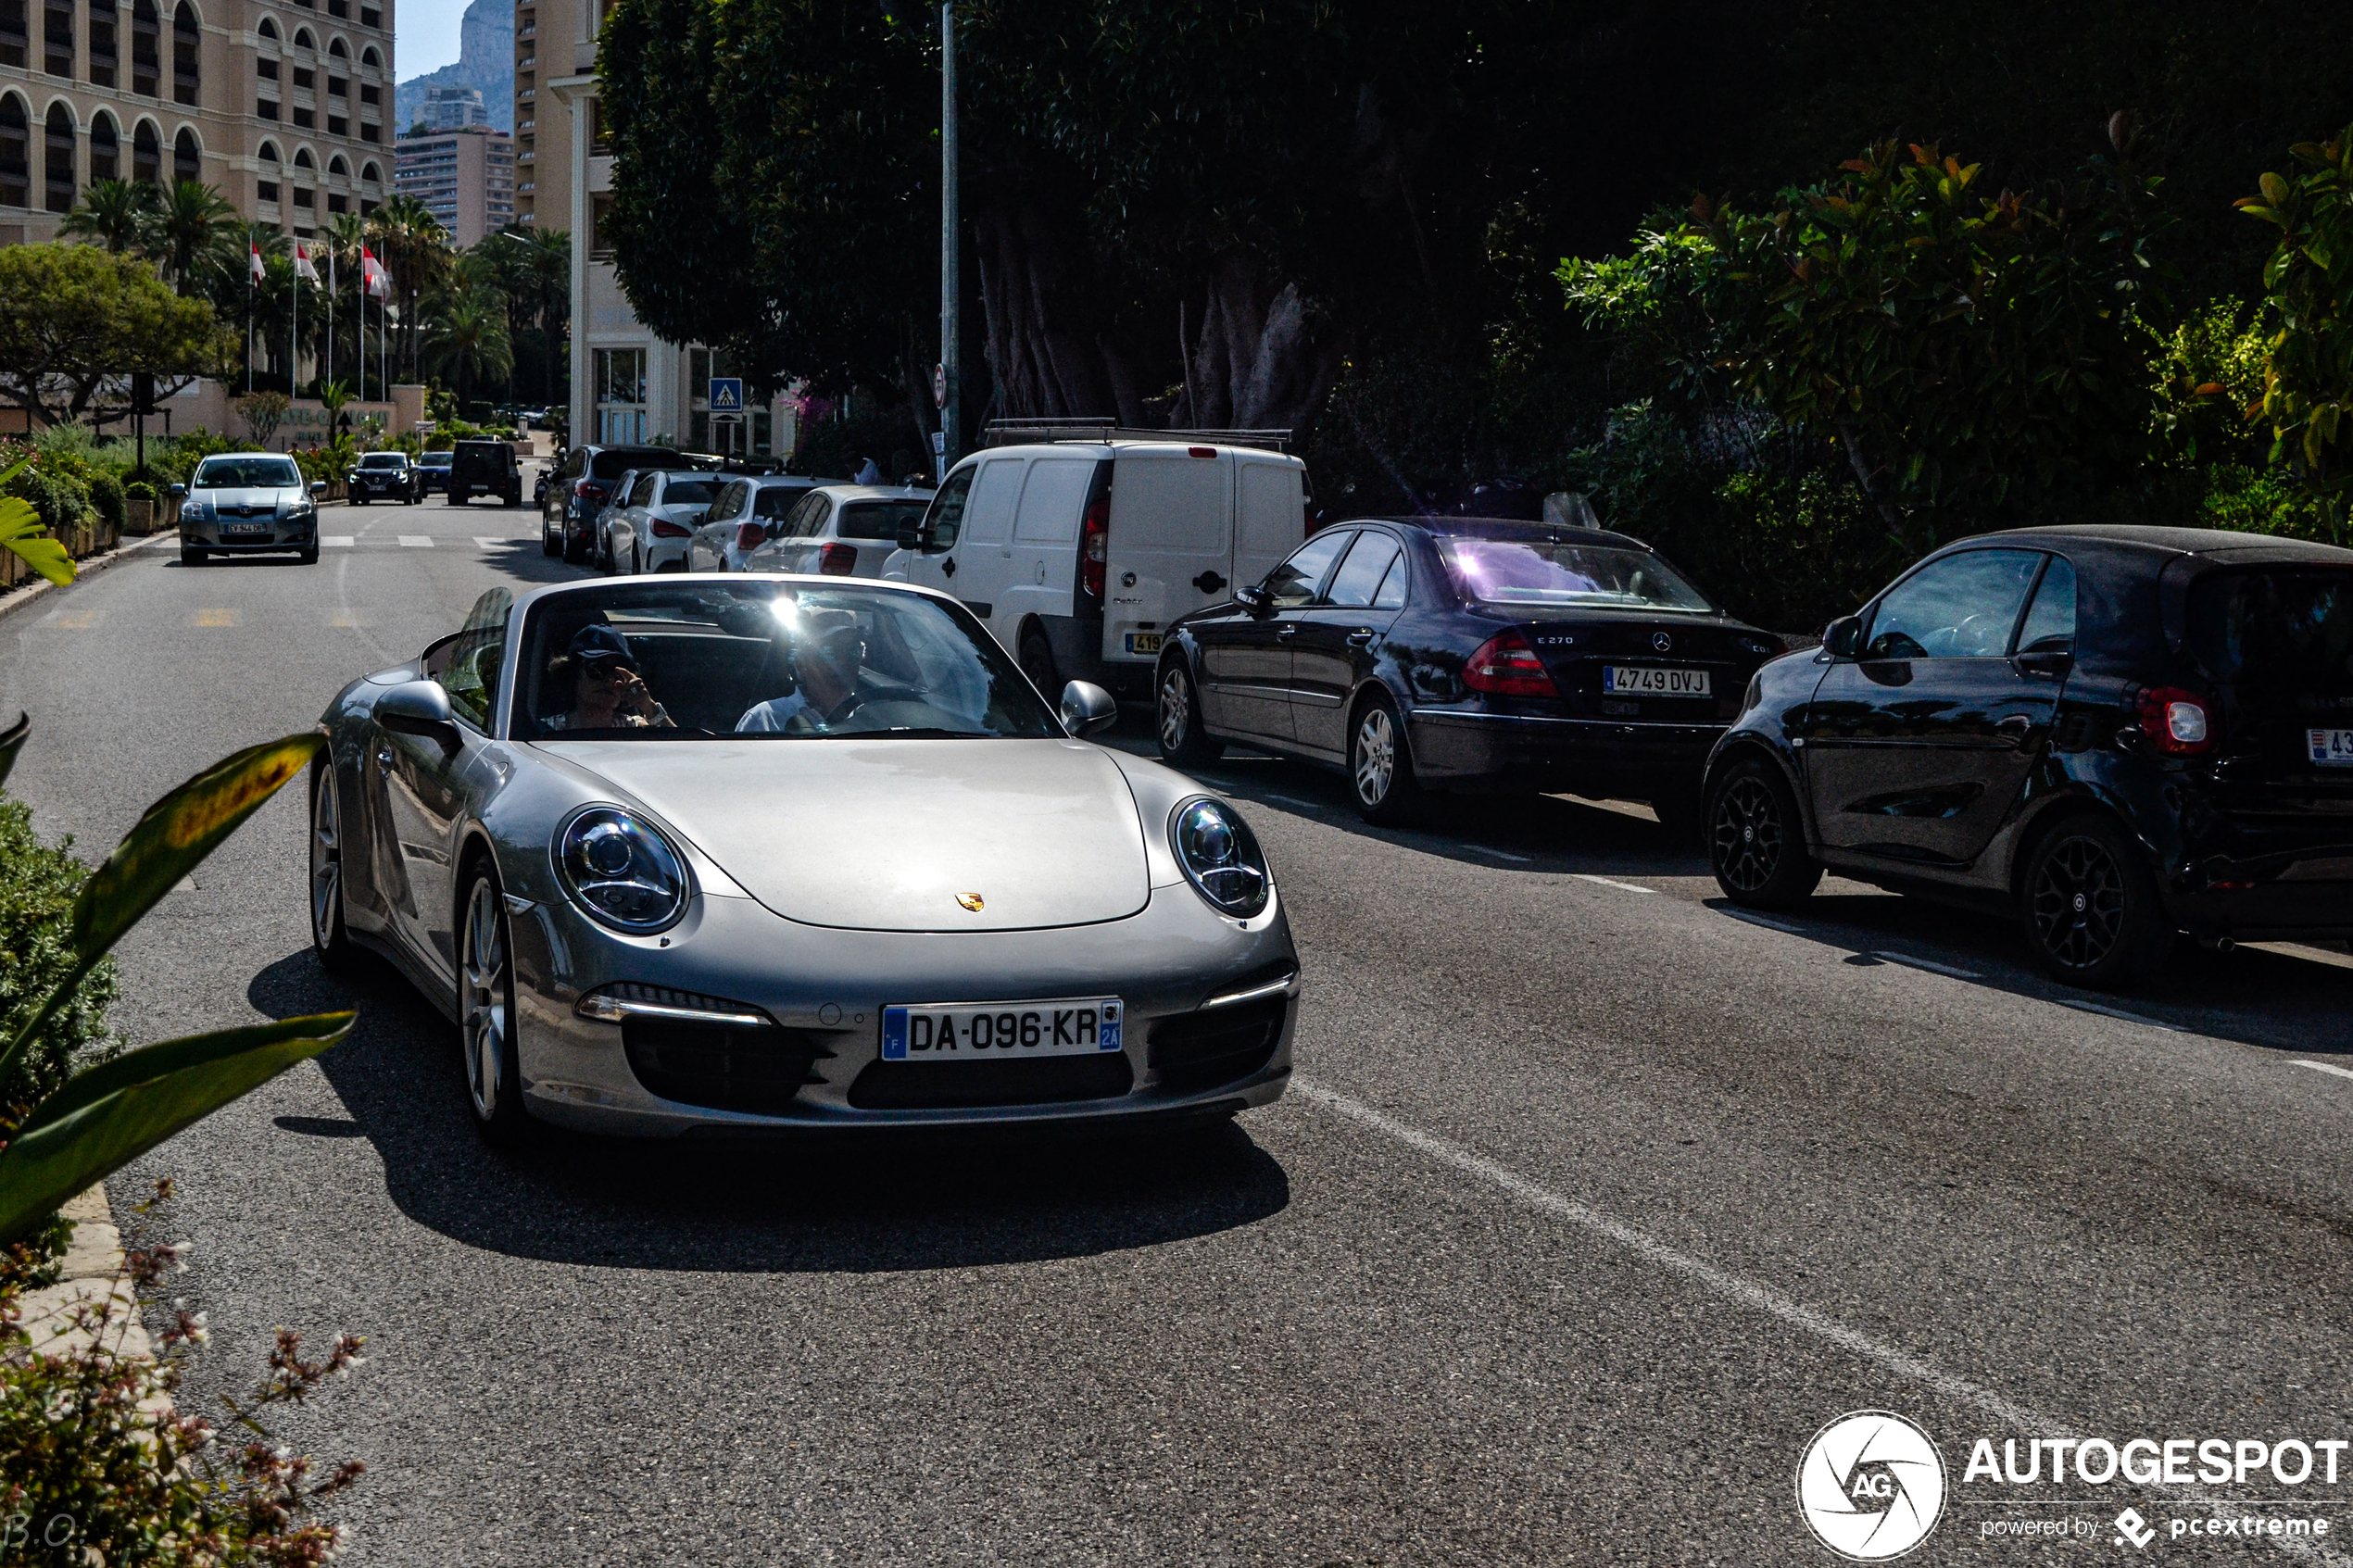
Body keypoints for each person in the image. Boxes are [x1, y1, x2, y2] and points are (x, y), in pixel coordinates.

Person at [736, 611, 865, 733]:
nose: (843, 663)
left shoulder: (876, 717)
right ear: (801, 664)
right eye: (829, 653)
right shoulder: (766, 719)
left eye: (853, 651)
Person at [541, 624, 673, 731]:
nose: (610, 680)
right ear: (574, 674)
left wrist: (648, 706)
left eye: (618, 673)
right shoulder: (546, 731)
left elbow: (678, 752)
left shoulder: (634, 727)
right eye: (597, 670)